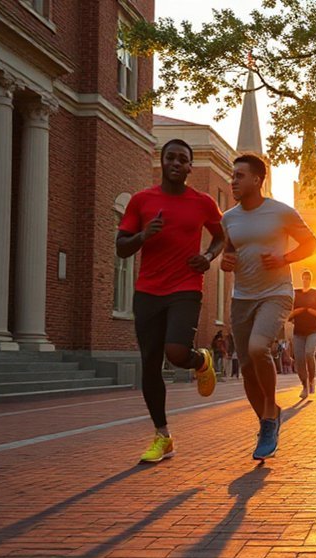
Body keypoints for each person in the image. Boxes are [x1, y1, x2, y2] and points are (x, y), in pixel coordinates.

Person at [116, 138, 226, 463]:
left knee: (176, 353)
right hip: (148, 291)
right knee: (150, 364)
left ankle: (199, 360)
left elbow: (220, 237)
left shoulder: (203, 203)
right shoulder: (141, 201)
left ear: (191, 166)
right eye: (171, 158)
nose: (176, 163)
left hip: (186, 286)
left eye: (183, 159)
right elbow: (122, 246)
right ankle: (162, 436)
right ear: (161, 162)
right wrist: (143, 235)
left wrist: (208, 256)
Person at [221, 153, 316, 461]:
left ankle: (267, 421)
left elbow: (311, 243)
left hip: (276, 293)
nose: (233, 181)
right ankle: (270, 415)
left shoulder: (281, 212)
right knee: (248, 368)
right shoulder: (229, 218)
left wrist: (284, 259)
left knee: (258, 347)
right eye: (232, 176)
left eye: (238, 176)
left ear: (257, 180)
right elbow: (229, 252)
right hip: (242, 297)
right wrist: (226, 261)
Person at [289, 270, 316, 398]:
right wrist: (297, 312)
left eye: (308, 278)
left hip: (313, 331)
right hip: (298, 332)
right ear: (301, 279)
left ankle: (311, 379)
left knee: (309, 353)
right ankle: (305, 386)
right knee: (299, 360)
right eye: (304, 278)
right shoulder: (295, 294)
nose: (305, 280)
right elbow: (288, 315)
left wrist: (313, 312)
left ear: (310, 280)